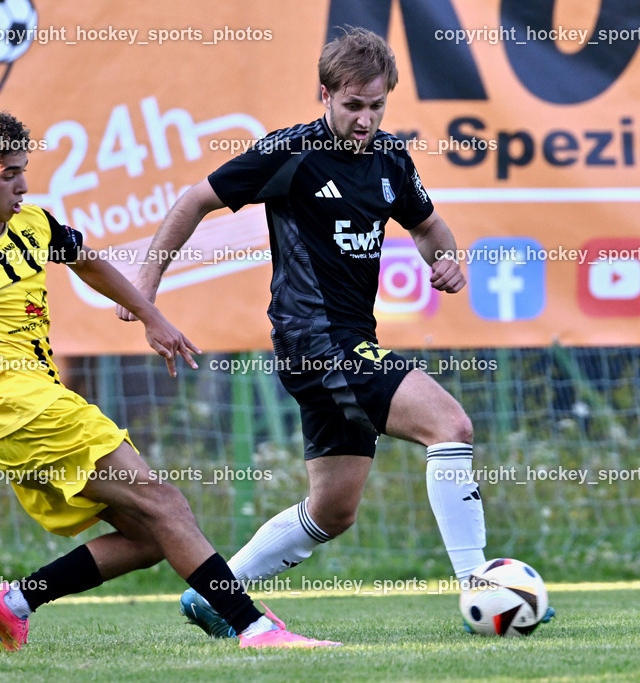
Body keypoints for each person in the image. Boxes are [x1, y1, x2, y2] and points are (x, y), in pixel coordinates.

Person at [0, 108, 340, 651]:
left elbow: (88, 261)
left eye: (24, 170)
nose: (22, 184)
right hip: (24, 413)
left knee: (150, 535)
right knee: (166, 504)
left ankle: (15, 602)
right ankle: (254, 629)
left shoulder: (32, 224)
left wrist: (151, 314)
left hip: (29, 417)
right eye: (8, 174)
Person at [121, 28, 553, 637]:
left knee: (333, 509)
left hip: (347, 338)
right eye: (352, 105)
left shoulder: (391, 160)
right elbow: (194, 200)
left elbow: (431, 229)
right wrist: (146, 287)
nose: (364, 118)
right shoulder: (289, 154)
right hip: (316, 341)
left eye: (376, 106)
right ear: (324, 95)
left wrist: (446, 260)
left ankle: (217, 595)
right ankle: (481, 590)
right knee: (450, 426)